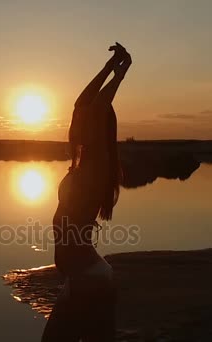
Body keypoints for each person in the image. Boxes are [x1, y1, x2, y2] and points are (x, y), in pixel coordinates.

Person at [42, 43, 132, 342]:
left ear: (95, 128)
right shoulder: (80, 166)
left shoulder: (96, 167)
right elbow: (83, 103)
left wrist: (119, 77)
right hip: (82, 278)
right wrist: (108, 68)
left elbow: (95, 107)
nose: (75, 122)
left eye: (83, 121)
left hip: (88, 280)